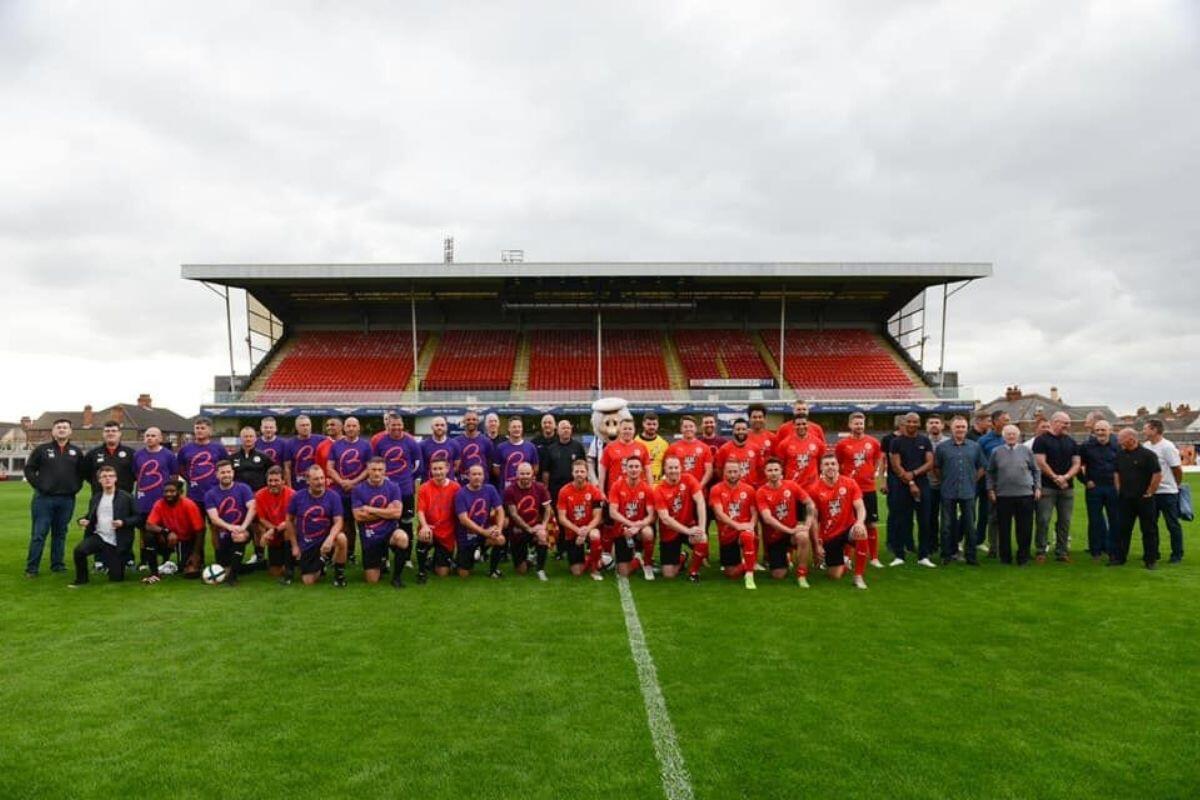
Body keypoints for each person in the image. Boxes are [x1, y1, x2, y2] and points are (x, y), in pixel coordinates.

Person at [24, 418, 87, 577]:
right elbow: (29, 469)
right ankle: (32, 568)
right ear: (53, 431)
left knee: (60, 534)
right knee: (39, 534)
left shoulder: (76, 452)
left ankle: (57, 565)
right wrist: (39, 485)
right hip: (44, 499)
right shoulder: (42, 450)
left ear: (70, 431)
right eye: (58, 427)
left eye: (65, 427)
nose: (61, 429)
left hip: (67, 500)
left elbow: (82, 473)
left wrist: (75, 487)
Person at [68, 466, 138, 587]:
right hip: (99, 537)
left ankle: (115, 566)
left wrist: (123, 522)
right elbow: (90, 516)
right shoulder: (96, 498)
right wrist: (82, 520)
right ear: (99, 480)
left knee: (116, 578)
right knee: (79, 551)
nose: (107, 479)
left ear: (115, 479)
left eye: (111, 476)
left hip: (117, 542)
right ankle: (81, 580)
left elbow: (138, 517)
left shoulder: (126, 497)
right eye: (104, 476)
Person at [808, 453, 869, 590]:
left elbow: (860, 507)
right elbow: (813, 519)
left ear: (838, 466)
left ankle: (858, 576)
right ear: (821, 468)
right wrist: (817, 544)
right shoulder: (814, 489)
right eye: (826, 464)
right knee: (834, 575)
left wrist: (859, 522)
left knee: (861, 532)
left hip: (848, 528)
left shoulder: (850, 483)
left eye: (833, 464)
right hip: (829, 535)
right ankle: (844, 561)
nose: (830, 467)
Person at [933, 416, 987, 566]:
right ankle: (947, 554)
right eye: (957, 427)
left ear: (966, 428)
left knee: (969, 525)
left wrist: (973, 479)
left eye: (963, 427)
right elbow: (936, 467)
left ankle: (971, 556)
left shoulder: (975, 446)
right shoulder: (942, 447)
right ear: (951, 428)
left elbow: (982, 466)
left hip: (968, 491)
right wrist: (945, 480)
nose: (960, 429)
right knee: (946, 525)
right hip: (948, 491)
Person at [834, 412, 885, 567]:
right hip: (849, 490)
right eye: (856, 423)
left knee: (871, 524)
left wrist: (871, 472)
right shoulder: (842, 444)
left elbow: (877, 459)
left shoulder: (873, 442)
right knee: (847, 524)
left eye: (861, 423)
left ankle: (874, 557)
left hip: (868, 488)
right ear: (850, 425)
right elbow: (839, 463)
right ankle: (846, 557)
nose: (859, 426)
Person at [373, 413, 422, 571]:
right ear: (388, 425)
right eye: (393, 425)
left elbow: (418, 465)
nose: (396, 428)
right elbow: (375, 464)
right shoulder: (380, 442)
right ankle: (384, 558)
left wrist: (407, 477)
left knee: (406, 524)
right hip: (385, 491)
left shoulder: (410, 442)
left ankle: (406, 558)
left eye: (399, 424)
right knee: (384, 524)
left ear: (403, 425)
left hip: (406, 491)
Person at [284, 463, 348, 586]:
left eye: (322, 478)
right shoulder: (298, 497)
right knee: (308, 581)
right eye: (316, 479)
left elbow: (339, 521)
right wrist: (295, 545)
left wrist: (330, 538)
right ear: (308, 481)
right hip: (307, 542)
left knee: (341, 538)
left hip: (326, 540)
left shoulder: (333, 496)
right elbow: (289, 520)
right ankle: (321, 562)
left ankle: (339, 576)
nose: (320, 482)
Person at [986, 425, 1041, 565]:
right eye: (1008, 434)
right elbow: (990, 472)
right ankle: (1005, 557)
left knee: (1025, 528)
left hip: (1025, 494)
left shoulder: (1026, 450)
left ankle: (1023, 557)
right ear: (1003, 436)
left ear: (1018, 436)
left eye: (1013, 434)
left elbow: (1036, 470)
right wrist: (990, 489)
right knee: (1004, 528)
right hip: (1003, 495)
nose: (1011, 436)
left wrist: (1037, 487)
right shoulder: (996, 452)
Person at [756, 458, 815, 586]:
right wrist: (790, 530)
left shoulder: (791, 485)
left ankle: (801, 574)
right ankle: (786, 557)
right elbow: (767, 518)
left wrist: (807, 525)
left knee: (803, 536)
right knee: (778, 575)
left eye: (776, 470)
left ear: (781, 471)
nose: (773, 473)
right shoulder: (761, 492)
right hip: (774, 537)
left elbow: (810, 503)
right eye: (770, 470)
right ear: (765, 472)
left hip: (792, 534)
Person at [887, 412, 936, 567]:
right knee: (901, 520)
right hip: (902, 485)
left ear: (919, 423)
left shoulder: (924, 440)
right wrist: (910, 482)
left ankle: (923, 556)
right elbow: (896, 465)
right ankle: (899, 555)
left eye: (915, 422)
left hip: (923, 485)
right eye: (909, 421)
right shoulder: (896, 442)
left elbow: (930, 463)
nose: (912, 424)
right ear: (904, 423)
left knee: (924, 521)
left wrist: (913, 474)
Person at [351, 457, 409, 586]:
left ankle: (397, 578)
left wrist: (370, 509)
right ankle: (381, 562)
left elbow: (397, 513)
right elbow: (358, 516)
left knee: (402, 538)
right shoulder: (358, 490)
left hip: (389, 532)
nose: (377, 473)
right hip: (370, 536)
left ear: (385, 471)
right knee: (372, 580)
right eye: (373, 470)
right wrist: (386, 511)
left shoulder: (393, 487)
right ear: (368, 470)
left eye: (380, 470)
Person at [1032, 411, 1080, 563]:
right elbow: (1040, 462)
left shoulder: (1072, 442)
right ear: (1055, 422)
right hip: (1047, 487)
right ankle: (1041, 550)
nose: (1068, 426)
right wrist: (1055, 477)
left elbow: (1076, 463)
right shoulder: (1041, 440)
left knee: (1065, 521)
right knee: (1043, 519)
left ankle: (1061, 551)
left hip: (1067, 488)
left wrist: (1065, 477)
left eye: (1069, 423)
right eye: (1065, 423)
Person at [1112, 428, 1162, 569]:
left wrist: (1150, 491)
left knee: (1148, 529)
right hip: (1125, 499)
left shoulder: (1148, 455)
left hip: (1144, 499)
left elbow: (1157, 474)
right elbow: (1116, 473)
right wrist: (1118, 489)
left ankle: (1150, 560)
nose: (1119, 441)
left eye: (1121, 438)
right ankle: (1120, 558)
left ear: (1131, 439)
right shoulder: (1119, 455)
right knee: (1123, 529)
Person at [653, 455, 708, 581]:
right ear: (664, 469)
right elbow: (665, 519)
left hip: (688, 525)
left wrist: (702, 528)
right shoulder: (659, 490)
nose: (674, 471)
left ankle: (693, 572)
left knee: (702, 538)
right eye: (670, 468)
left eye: (676, 467)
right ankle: (682, 557)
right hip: (669, 531)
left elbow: (700, 501)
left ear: (680, 468)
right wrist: (687, 531)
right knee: (669, 575)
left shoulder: (688, 479)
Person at [203, 461, 257, 586]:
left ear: (233, 473)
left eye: (228, 472)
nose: (226, 475)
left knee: (238, 536)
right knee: (224, 568)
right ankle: (251, 567)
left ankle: (233, 577)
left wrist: (243, 527)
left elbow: (252, 507)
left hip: (242, 530)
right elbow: (214, 519)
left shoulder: (243, 488)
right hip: (224, 532)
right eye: (222, 472)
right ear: (217, 475)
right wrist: (231, 527)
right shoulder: (210, 494)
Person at [132, 426, 178, 572]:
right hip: (144, 499)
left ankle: (166, 560)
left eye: (153, 436)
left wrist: (171, 495)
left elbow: (174, 476)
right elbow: (136, 474)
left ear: (160, 438)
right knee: (143, 531)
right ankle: (144, 560)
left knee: (163, 531)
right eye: (147, 435)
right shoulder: (138, 455)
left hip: (162, 500)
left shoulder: (168, 455)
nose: (150, 438)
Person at [709, 460, 760, 589]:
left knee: (747, 536)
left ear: (740, 472)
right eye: (729, 472)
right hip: (727, 534)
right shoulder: (716, 489)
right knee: (731, 574)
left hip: (744, 531)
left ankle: (749, 575)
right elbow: (719, 514)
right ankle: (748, 562)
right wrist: (737, 526)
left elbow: (754, 512)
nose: (732, 475)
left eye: (735, 471)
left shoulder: (749, 489)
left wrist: (751, 525)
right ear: (724, 473)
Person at [328, 417, 372, 563]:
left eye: (354, 426)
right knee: (343, 523)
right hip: (340, 491)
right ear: (344, 428)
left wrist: (354, 482)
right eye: (348, 426)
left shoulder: (366, 446)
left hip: (360, 492)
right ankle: (343, 552)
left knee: (361, 523)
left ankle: (359, 553)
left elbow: (369, 468)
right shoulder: (336, 445)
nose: (351, 428)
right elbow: (329, 468)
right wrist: (341, 482)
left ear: (359, 428)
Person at [143, 478, 206, 579]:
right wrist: (166, 532)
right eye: (166, 491)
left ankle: (182, 563)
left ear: (180, 492)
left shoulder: (189, 505)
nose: (168, 494)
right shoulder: (159, 504)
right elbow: (149, 525)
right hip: (168, 539)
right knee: (148, 536)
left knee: (190, 573)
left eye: (172, 491)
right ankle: (154, 572)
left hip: (186, 540)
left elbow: (200, 530)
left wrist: (196, 553)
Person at [607, 456, 657, 580]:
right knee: (623, 572)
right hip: (623, 529)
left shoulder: (647, 488)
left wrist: (638, 526)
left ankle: (648, 564)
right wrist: (630, 524)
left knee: (648, 532)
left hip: (640, 529)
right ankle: (638, 560)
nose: (634, 469)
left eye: (636, 467)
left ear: (641, 469)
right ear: (625, 468)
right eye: (631, 466)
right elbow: (612, 512)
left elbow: (651, 515)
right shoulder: (617, 486)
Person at [1142, 419, 1185, 563]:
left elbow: (1177, 469)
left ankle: (1177, 553)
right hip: (1152, 492)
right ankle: (1153, 552)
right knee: (1150, 524)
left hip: (1167, 492)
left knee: (1172, 524)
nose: (1143, 431)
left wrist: (1175, 485)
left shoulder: (1167, 447)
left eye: (1146, 428)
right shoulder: (1146, 446)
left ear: (1154, 430)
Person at [454, 463, 507, 578]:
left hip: (484, 533)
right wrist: (484, 532)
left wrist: (499, 528)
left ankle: (493, 571)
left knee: (500, 539)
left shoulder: (490, 489)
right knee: (463, 574)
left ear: (484, 476)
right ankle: (465, 558)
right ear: (468, 476)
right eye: (474, 474)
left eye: (479, 474)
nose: (477, 477)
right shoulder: (461, 493)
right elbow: (463, 520)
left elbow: (500, 510)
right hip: (466, 536)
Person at [1078, 420, 1119, 560]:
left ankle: (1113, 549)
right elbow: (1077, 465)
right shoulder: (1086, 447)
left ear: (1110, 431)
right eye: (1097, 430)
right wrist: (1085, 481)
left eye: (1103, 430)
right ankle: (1095, 551)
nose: (1100, 433)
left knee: (1115, 519)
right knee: (1094, 520)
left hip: (1113, 488)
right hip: (1094, 488)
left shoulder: (1118, 446)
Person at [504, 462, 552, 580]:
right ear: (517, 474)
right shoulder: (510, 490)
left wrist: (543, 525)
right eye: (522, 474)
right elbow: (513, 514)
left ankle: (540, 569)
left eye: (527, 473)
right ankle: (530, 558)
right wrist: (528, 528)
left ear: (532, 474)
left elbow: (548, 509)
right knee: (521, 570)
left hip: (536, 526)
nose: (525, 476)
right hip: (518, 529)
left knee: (542, 535)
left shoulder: (540, 487)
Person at [558, 460, 606, 579]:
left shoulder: (594, 491)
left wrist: (586, 530)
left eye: (582, 471)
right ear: (572, 473)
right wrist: (578, 530)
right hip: (572, 532)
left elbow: (598, 516)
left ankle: (594, 567)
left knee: (595, 534)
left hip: (588, 529)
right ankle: (593, 557)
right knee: (577, 572)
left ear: (587, 473)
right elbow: (562, 518)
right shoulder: (564, 491)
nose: (579, 474)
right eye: (577, 471)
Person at [415, 457, 461, 580]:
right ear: (431, 470)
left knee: (442, 573)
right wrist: (424, 526)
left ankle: (433, 561)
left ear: (447, 469)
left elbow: (460, 511)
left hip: (447, 533)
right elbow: (420, 511)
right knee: (424, 536)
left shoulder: (456, 488)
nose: (438, 472)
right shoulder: (424, 487)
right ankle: (421, 571)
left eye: (440, 468)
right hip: (430, 529)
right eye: (435, 469)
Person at [975, 410, 1010, 557]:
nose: (1008, 422)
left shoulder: (1010, 438)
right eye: (1005, 420)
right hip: (987, 484)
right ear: (995, 422)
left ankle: (1003, 546)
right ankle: (992, 547)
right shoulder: (983, 441)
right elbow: (979, 462)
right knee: (989, 516)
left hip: (1007, 484)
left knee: (1004, 517)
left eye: (1008, 420)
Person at [252, 466, 295, 580]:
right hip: (274, 533)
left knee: (287, 531)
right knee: (275, 572)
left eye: (276, 480)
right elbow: (262, 519)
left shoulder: (292, 495)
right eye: (270, 481)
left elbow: (293, 519)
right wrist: (273, 530)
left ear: (283, 481)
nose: (273, 484)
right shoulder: (259, 495)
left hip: (288, 532)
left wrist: (273, 530)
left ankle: (289, 567)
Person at [176, 417, 227, 509]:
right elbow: (179, 468)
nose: (199, 431)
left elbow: (226, 467)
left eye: (203, 428)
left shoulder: (219, 448)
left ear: (210, 430)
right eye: (197, 428)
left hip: (215, 492)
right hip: (194, 494)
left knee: (215, 518)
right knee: (194, 518)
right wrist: (190, 479)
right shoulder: (185, 449)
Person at [83, 420, 136, 494]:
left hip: (124, 495)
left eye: (114, 431)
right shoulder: (93, 453)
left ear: (119, 433)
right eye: (107, 431)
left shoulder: (131, 453)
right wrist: (97, 483)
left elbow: (136, 474)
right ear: (103, 434)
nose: (110, 433)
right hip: (100, 494)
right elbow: (86, 474)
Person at [597, 418, 649, 493]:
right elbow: (602, 472)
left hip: (638, 492)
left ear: (634, 430)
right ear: (619, 430)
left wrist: (650, 490)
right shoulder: (609, 448)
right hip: (615, 492)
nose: (627, 431)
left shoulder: (642, 447)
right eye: (625, 429)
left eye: (630, 429)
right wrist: (601, 492)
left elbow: (648, 471)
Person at [494, 417, 540, 494]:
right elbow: (496, 470)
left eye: (519, 427)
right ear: (509, 429)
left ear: (522, 429)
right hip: (507, 490)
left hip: (526, 489)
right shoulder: (500, 447)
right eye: (514, 427)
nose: (517, 429)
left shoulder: (531, 447)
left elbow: (535, 468)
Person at [664, 416, 713, 487]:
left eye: (691, 426)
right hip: (678, 489)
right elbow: (667, 470)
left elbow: (709, 471)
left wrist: (699, 487)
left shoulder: (705, 448)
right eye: (685, 427)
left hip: (699, 489)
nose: (688, 429)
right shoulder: (672, 448)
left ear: (695, 428)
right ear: (681, 429)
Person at [776, 415, 821, 488]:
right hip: (792, 487)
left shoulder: (818, 442)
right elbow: (780, 466)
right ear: (793, 426)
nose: (801, 426)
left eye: (804, 424)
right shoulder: (784, 444)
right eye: (798, 424)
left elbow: (821, 464)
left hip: (812, 487)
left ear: (808, 425)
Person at [285, 414, 328, 490]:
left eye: (307, 425)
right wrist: (289, 488)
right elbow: (287, 467)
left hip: (318, 483)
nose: (305, 427)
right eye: (302, 425)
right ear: (296, 427)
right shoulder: (289, 444)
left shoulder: (322, 440)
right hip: (298, 484)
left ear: (311, 426)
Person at [454, 410, 496, 486]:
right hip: (462, 484)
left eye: (474, 419)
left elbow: (490, 463)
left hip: (483, 484)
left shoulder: (486, 441)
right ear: (463, 422)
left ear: (478, 422)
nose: (471, 421)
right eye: (468, 419)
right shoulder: (456, 442)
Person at [714, 418, 760, 488]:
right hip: (730, 489)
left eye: (743, 429)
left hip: (751, 489)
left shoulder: (755, 448)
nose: (741, 431)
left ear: (747, 431)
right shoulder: (724, 449)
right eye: (738, 429)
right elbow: (719, 471)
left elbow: (759, 469)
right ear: (733, 431)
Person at [925, 416, 946, 552]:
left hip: (946, 486)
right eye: (931, 422)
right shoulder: (922, 442)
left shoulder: (949, 442)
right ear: (926, 426)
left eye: (937, 423)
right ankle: (932, 544)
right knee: (930, 516)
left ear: (942, 425)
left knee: (948, 517)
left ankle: (949, 543)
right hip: (928, 486)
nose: (934, 425)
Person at [230, 427, 274, 491]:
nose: (248, 439)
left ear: (255, 438)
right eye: (245, 436)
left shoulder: (264, 457)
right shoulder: (233, 457)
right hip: (239, 493)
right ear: (240, 438)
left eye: (251, 436)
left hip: (259, 492)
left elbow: (272, 474)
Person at [744, 404, 776, 487]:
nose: (757, 419)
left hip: (767, 483)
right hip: (748, 484)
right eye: (754, 417)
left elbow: (777, 461)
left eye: (760, 417)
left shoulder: (772, 437)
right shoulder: (743, 437)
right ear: (749, 419)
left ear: (764, 419)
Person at [638, 412, 671, 483]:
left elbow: (668, 466)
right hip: (640, 485)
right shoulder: (635, 441)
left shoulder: (664, 444)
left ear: (658, 425)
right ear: (643, 424)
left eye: (654, 424)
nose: (652, 427)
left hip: (658, 486)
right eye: (649, 424)